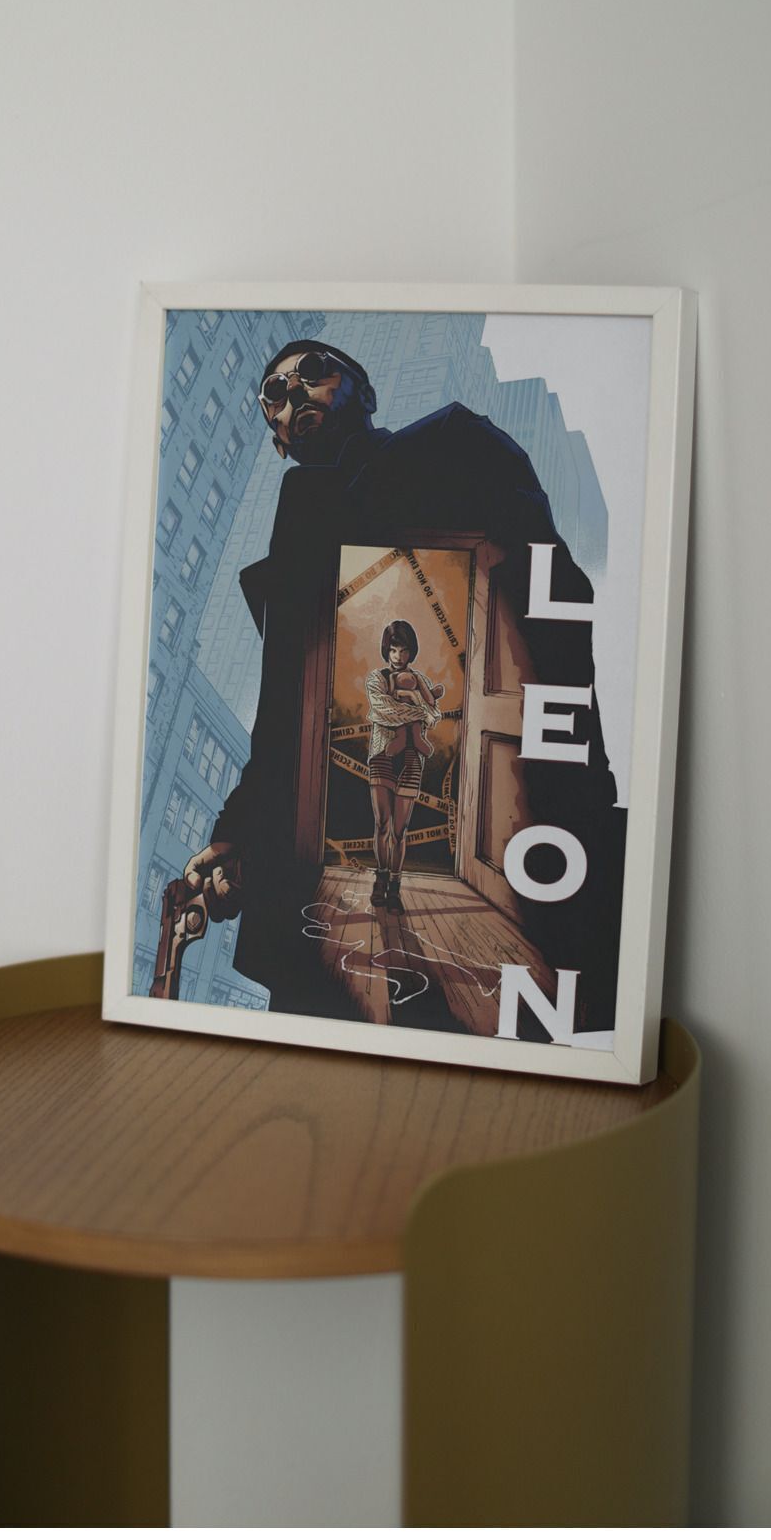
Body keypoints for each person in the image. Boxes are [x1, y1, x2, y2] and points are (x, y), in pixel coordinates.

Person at [182, 340, 623, 1028]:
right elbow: (281, 724)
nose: (293, 394)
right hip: (335, 876)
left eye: (313, 374)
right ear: (275, 439)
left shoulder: (454, 443)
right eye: (275, 394)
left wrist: (570, 785)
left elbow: (549, 595)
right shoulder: (298, 531)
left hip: (493, 828)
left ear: (364, 392)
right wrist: (239, 830)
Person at [365, 620, 443, 913]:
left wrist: (419, 708)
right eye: (393, 650)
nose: (398, 656)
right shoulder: (376, 678)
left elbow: (435, 715)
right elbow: (382, 710)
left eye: (404, 650)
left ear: (412, 651)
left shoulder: (419, 678)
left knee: (400, 829)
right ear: (386, 650)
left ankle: (395, 887)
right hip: (382, 755)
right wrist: (418, 710)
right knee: (382, 824)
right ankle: (380, 879)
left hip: (411, 759)